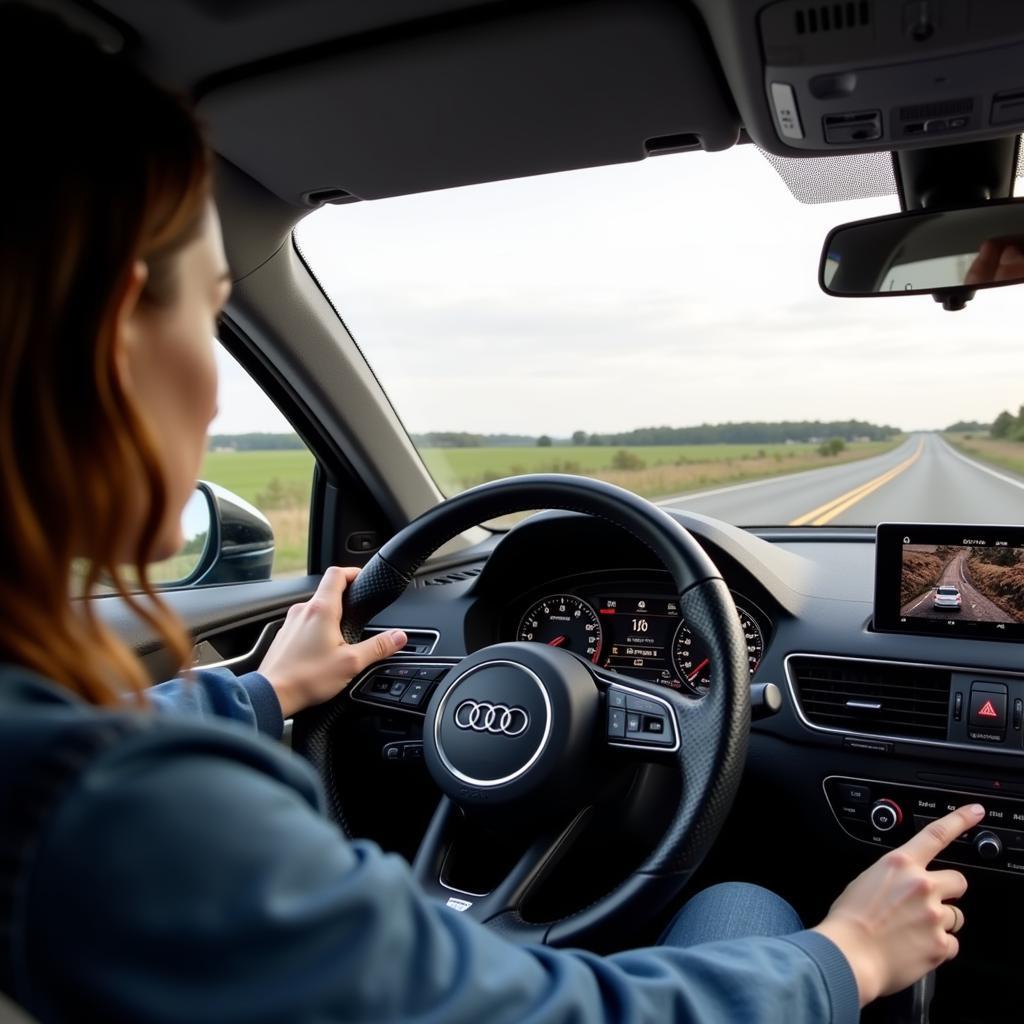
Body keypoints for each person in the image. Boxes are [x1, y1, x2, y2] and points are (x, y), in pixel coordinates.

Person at [0, 6, 982, 1022]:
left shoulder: (57, 763)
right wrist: (848, 955)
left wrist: (256, 692)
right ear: (114, 334)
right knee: (747, 904)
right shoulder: (112, 805)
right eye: (208, 315)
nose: (212, 400)